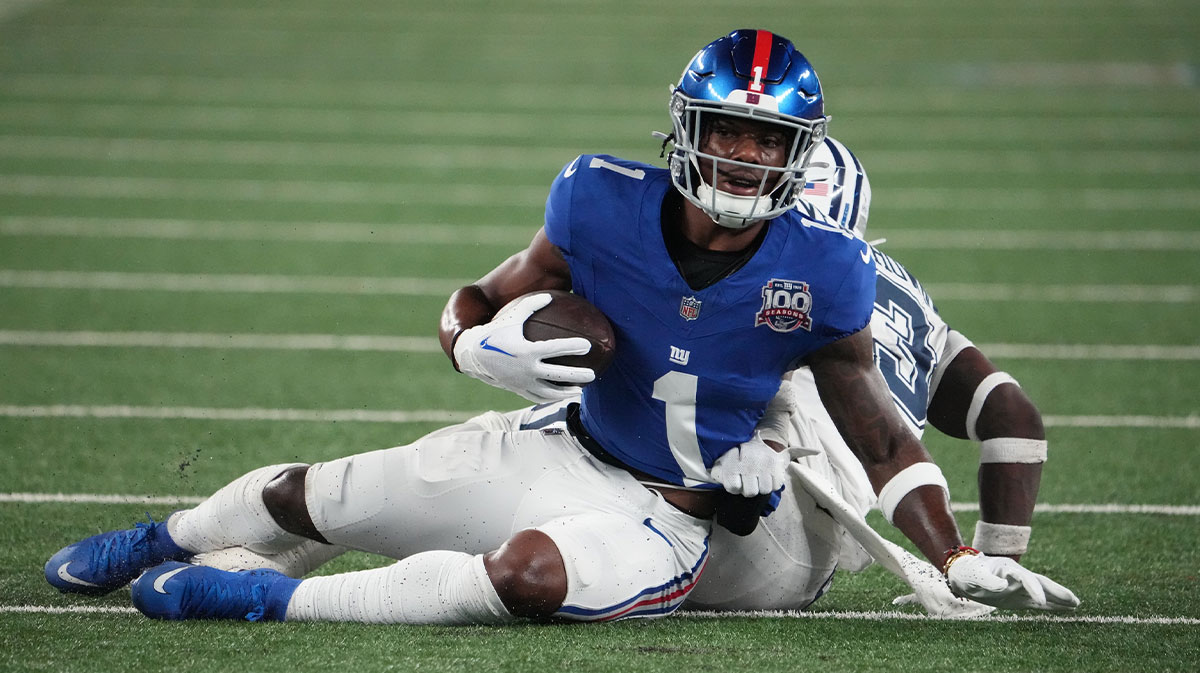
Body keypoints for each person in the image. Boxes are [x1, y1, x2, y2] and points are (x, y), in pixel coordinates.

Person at [44, 29, 1074, 624]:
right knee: (310, 495)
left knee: (525, 578)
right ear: (685, 130)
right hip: (567, 443)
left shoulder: (832, 274)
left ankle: (262, 603)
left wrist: (949, 554)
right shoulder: (596, 199)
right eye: (729, 135)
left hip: (674, 513)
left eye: (770, 145)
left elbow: (879, 433)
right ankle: (168, 536)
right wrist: (481, 346)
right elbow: (473, 302)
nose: (746, 163)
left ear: (804, 169)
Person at [684, 137, 1067, 615]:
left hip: (751, 500)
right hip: (820, 549)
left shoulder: (786, 271)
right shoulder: (908, 293)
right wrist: (995, 562)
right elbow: (1013, 414)